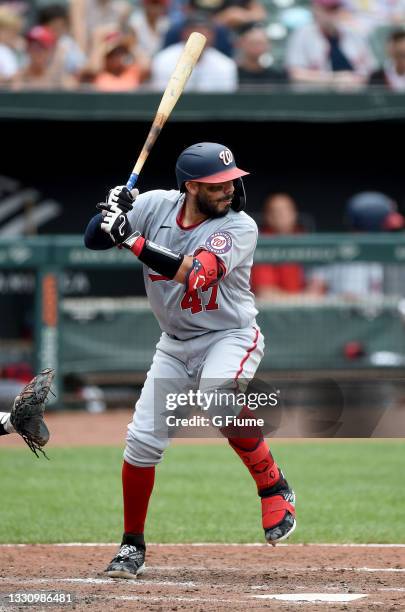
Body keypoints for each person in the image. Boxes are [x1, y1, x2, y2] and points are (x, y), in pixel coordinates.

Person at [84, 142, 296, 578]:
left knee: (217, 393)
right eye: (219, 185)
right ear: (192, 187)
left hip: (229, 334)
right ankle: (131, 545)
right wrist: (111, 210)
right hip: (175, 342)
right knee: (141, 443)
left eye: (233, 180)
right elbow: (93, 240)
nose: (231, 189)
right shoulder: (156, 205)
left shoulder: (240, 226)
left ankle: (271, 483)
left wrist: (129, 236)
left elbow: (195, 274)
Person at [285, 0, 376, 88]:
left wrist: (354, 80)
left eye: (335, 9)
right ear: (316, 10)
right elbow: (295, 74)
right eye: (327, 9)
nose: (332, 14)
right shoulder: (303, 34)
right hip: (315, 98)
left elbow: (370, 71)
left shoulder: (355, 33)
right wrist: (334, 79)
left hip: (355, 96)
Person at [151, 14, 238, 92]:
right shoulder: (163, 59)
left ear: (213, 35)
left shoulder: (225, 64)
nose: (200, 34)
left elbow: (226, 100)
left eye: (205, 31)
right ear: (183, 33)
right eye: (194, 30)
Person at [251, 193, 312, 298]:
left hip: (305, 307)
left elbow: (318, 286)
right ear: (268, 217)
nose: (282, 215)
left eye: (286, 210)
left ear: (294, 213)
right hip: (271, 310)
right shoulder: (261, 243)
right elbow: (266, 293)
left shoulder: (304, 239)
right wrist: (302, 300)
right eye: (276, 211)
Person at [236, 22, 289, 89]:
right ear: (241, 43)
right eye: (252, 43)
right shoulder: (231, 74)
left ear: (268, 45)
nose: (256, 47)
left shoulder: (278, 77)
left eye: (260, 43)